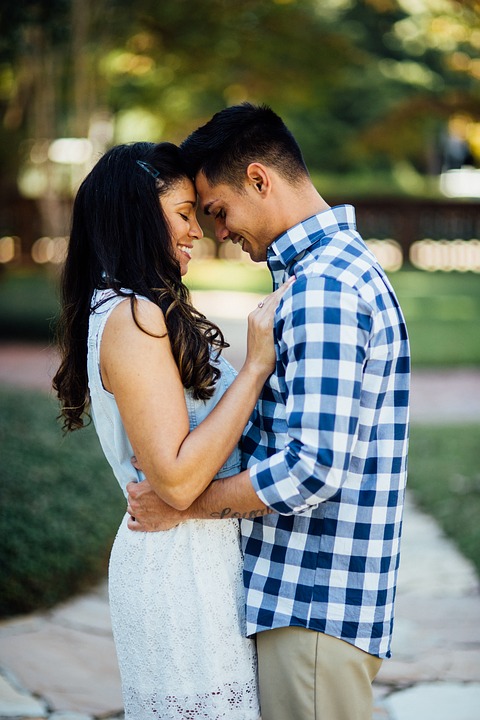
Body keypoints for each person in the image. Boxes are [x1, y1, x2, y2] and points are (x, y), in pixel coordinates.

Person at [126, 104, 411, 720]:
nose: (219, 233)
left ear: (260, 179)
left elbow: (312, 468)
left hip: (312, 604)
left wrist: (183, 504)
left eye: (219, 212)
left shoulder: (323, 289)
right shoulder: (331, 271)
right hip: (315, 602)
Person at [53, 140, 293, 720]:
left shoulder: (134, 308)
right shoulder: (133, 318)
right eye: (184, 214)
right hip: (177, 571)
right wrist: (255, 367)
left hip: (198, 560)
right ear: (138, 215)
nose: (198, 231)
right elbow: (179, 482)